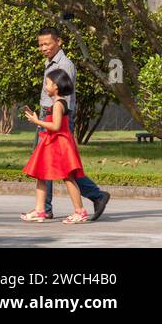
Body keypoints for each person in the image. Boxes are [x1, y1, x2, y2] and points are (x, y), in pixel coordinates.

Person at [33, 23, 111, 220]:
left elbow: (63, 98)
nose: (43, 48)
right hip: (48, 115)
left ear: (59, 42)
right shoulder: (50, 61)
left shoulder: (63, 64)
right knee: (46, 164)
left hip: (56, 119)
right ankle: (45, 208)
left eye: (47, 44)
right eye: (40, 45)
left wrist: (52, 120)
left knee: (66, 167)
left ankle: (96, 196)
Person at [20, 70, 88, 224]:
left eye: (48, 83)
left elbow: (56, 126)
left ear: (56, 86)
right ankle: (40, 210)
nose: (45, 86)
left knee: (68, 177)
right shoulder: (58, 102)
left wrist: (37, 122)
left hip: (59, 144)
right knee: (41, 175)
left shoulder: (58, 104)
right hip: (53, 143)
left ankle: (80, 211)